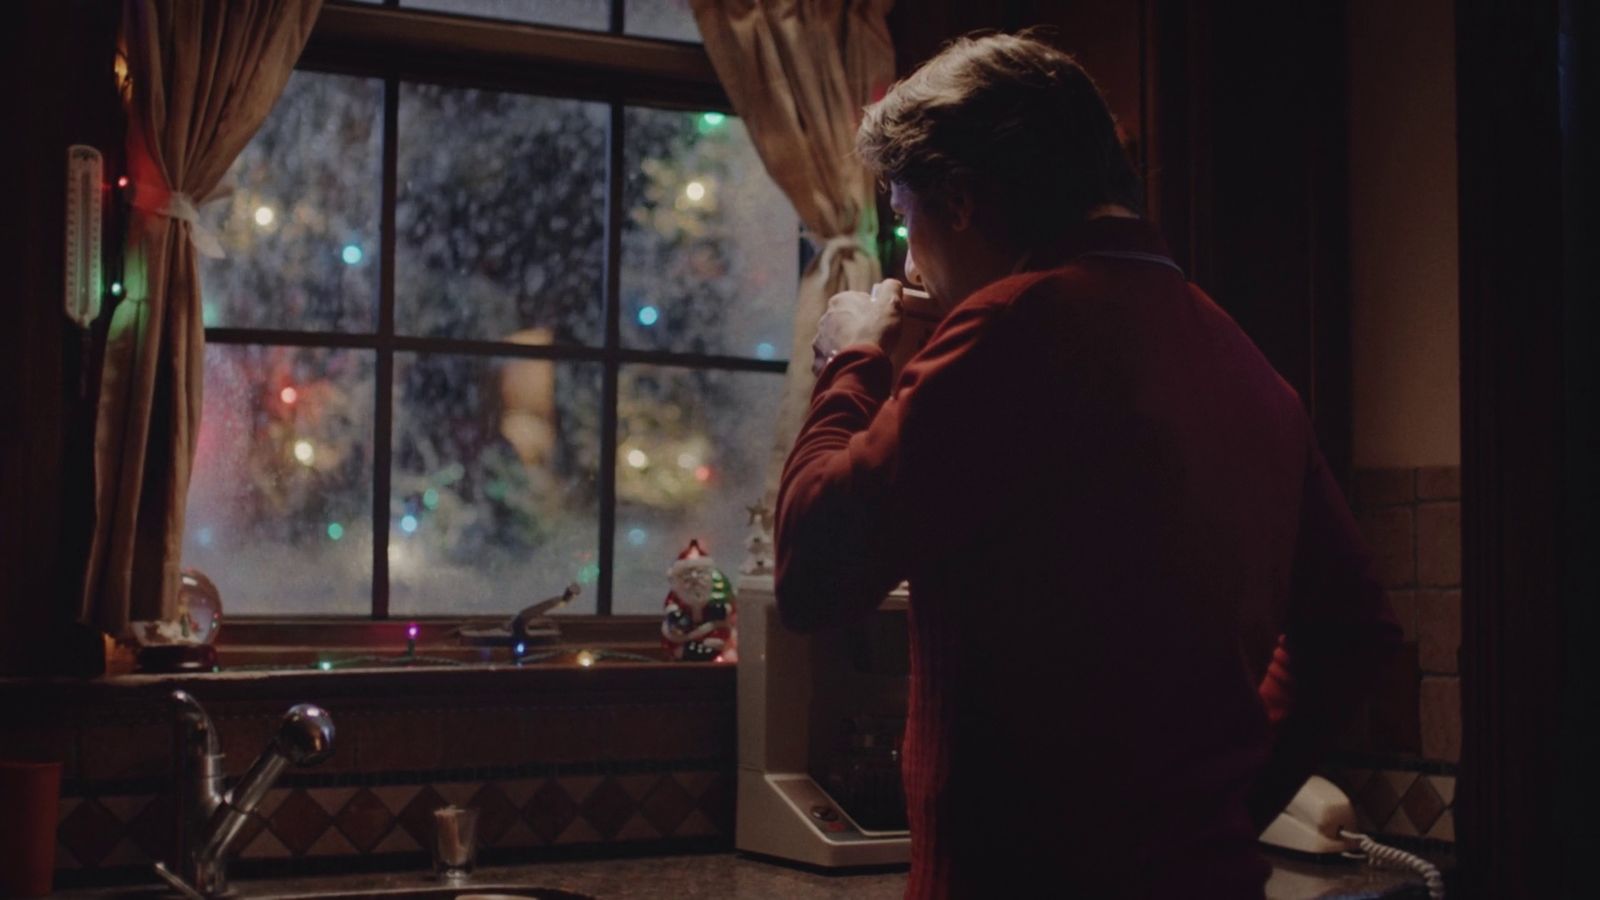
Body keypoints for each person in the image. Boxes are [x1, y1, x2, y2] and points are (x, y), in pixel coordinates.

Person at [775, 33, 1401, 899]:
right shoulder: (1241, 358)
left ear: (959, 201)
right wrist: (1215, 805)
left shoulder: (1007, 328)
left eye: (905, 219)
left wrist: (851, 361)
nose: (908, 260)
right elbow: (1353, 633)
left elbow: (810, 572)